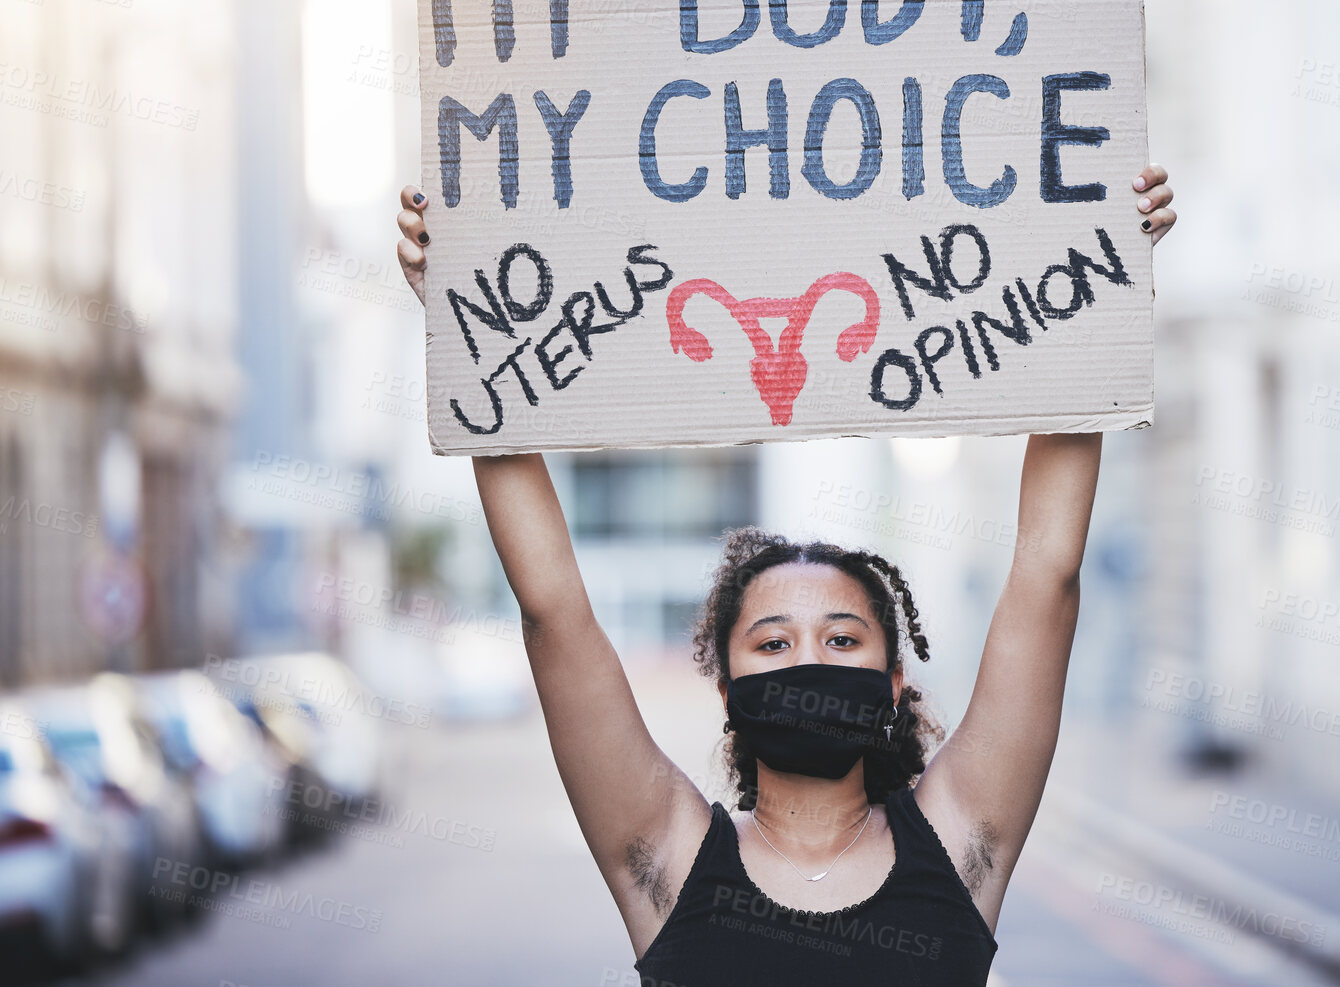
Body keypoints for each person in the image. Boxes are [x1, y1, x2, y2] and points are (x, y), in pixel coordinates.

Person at [392, 167, 1176, 985]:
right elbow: (552, 610)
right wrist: (466, 323)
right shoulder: (668, 857)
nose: (809, 660)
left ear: (895, 680)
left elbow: (1046, 574)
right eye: (772, 641)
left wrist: (1099, 290)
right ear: (727, 688)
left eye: (842, 636)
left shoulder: (960, 839)